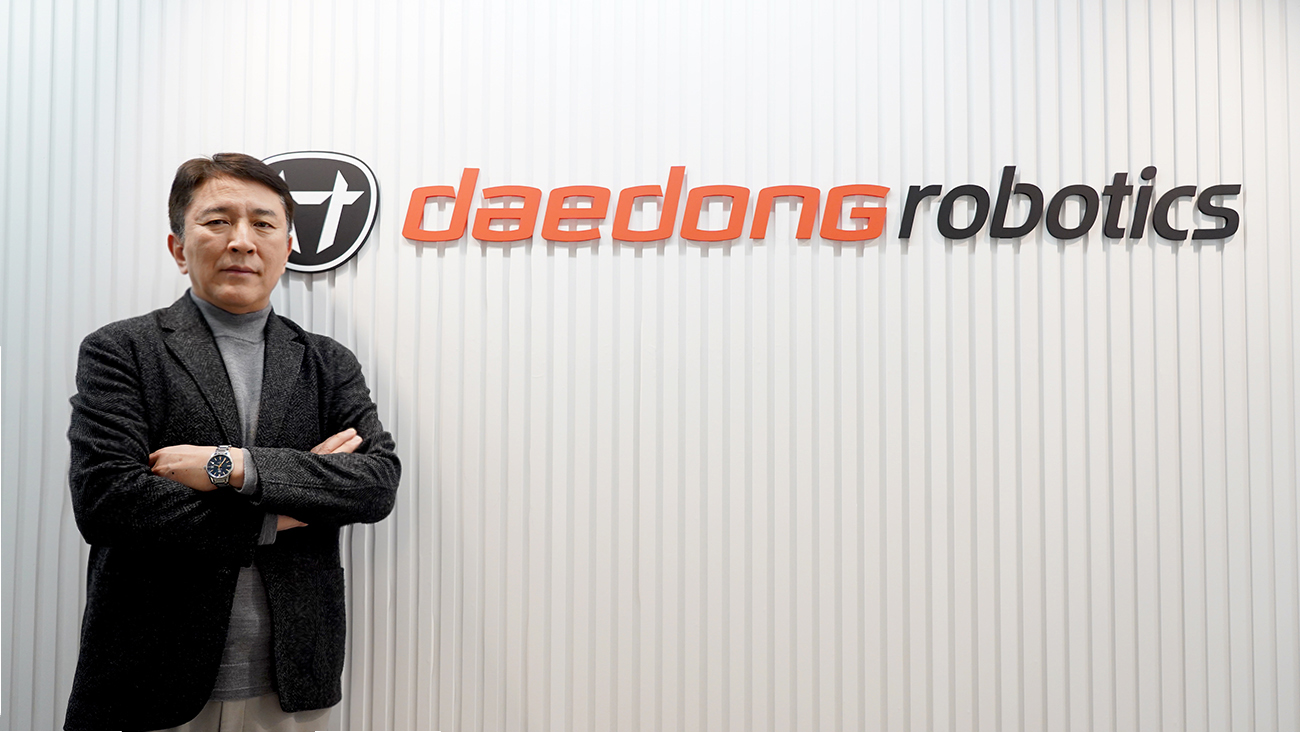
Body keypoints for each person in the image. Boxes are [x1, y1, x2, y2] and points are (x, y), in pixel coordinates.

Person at [64, 153, 400, 731]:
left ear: (287, 248)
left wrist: (231, 466)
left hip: (290, 678)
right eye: (218, 221)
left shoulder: (326, 362)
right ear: (178, 247)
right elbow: (108, 501)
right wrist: (286, 511)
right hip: (149, 675)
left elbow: (375, 484)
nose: (242, 241)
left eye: (263, 224)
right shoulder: (122, 351)